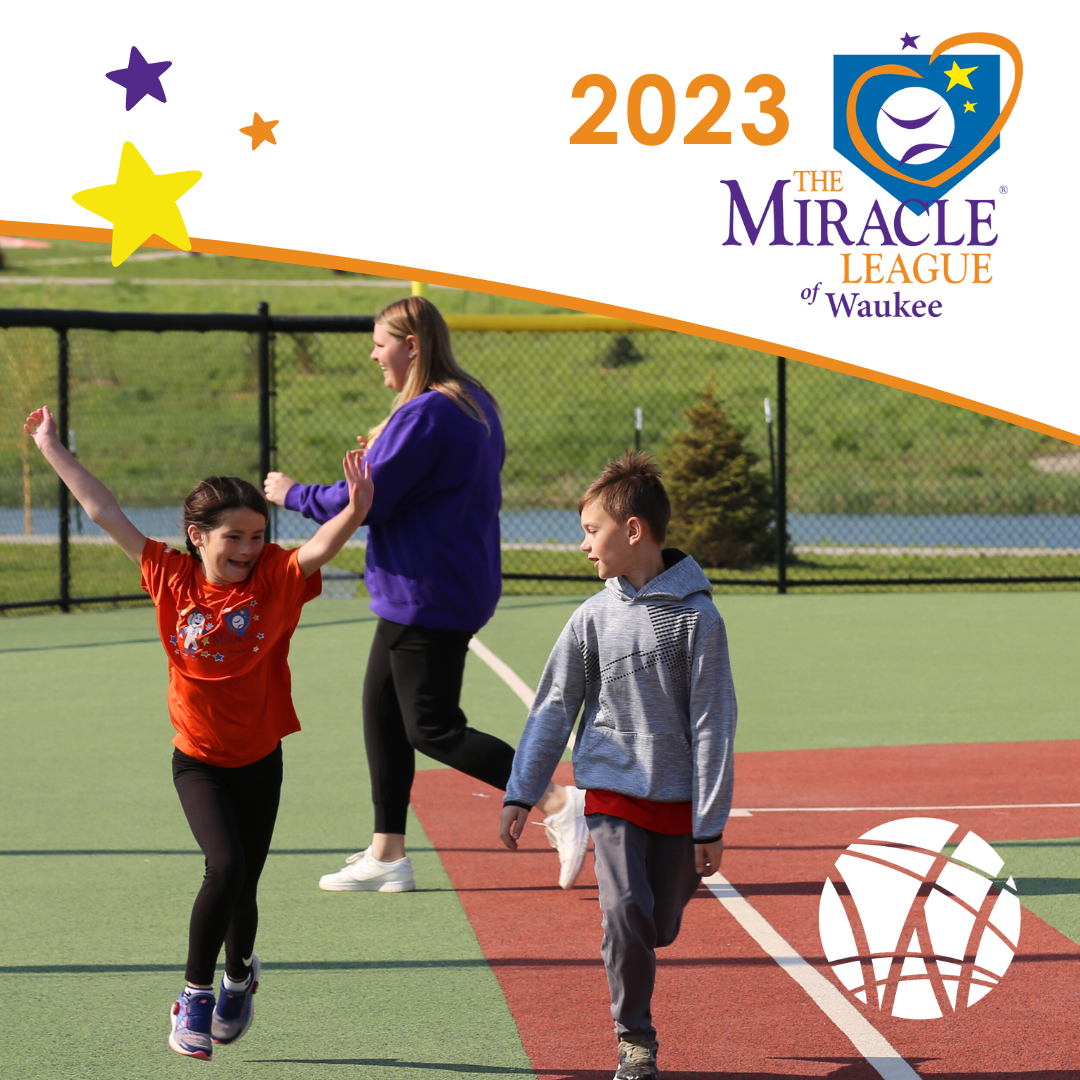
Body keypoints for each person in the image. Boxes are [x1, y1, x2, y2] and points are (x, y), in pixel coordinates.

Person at [24, 405, 373, 1061]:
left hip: (260, 757)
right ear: (197, 536)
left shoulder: (275, 577)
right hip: (199, 761)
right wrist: (50, 444)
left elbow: (321, 548)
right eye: (233, 537)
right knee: (227, 865)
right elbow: (103, 510)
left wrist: (355, 509)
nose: (247, 548)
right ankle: (194, 997)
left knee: (244, 887)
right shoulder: (169, 574)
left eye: (257, 536)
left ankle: (239, 977)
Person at [263, 295, 587, 892]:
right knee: (382, 713)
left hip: (427, 591)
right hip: (439, 585)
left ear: (411, 345)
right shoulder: (472, 402)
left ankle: (556, 799)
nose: (373, 355)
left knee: (430, 725)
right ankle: (388, 854)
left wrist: (292, 493)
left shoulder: (429, 413)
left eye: (380, 343)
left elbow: (366, 499)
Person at [499, 451, 736, 1080]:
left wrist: (710, 822)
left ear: (633, 530)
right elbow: (554, 707)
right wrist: (522, 790)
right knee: (624, 909)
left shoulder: (699, 618)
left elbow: (713, 722)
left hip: (677, 799)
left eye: (591, 530)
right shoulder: (590, 618)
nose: (583, 545)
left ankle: (635, 943)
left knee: (656, 926)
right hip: (610, 789)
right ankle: (635, 1039)